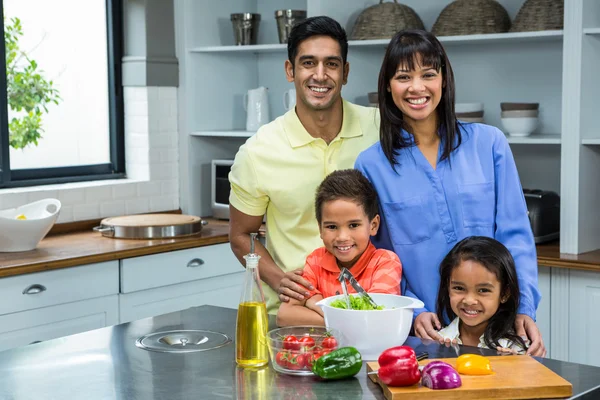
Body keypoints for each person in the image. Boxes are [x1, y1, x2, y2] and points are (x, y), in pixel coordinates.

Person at [352, 29, 545, 356]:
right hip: (425, 333)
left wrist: (524, 306)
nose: (417, 87)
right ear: (387, 85)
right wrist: (410, 310)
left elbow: (515, 234)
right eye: (403, 76)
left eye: (428, 74)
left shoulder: (489, 143)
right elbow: (379, 257)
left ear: (444, 79)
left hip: (499, 328)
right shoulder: (371, 164)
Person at [228, 16, 379, 315]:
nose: (320, 75)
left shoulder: (380, 129)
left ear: (345, 72)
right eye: (308, 63)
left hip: (369, 310)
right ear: (290, 70)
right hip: (292, 317)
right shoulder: (259, 151)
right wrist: (279, 279)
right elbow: (240, 236)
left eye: (331, 64)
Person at [276, 169, 402, 327]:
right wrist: (346, 321)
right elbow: (285, 315)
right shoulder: (316, 260)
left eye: (353, 225)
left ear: (373, 225)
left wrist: (316, 302)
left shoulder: (385, 262)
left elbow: (372, 320)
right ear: (320, 229)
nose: (342, 237)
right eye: (332, 226)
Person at [436, 236, 528, 354]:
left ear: (504, 293)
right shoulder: (437, 341)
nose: (469, 300)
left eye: (483, 290)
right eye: (459, 288)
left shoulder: (515, 347)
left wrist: (509, 367)